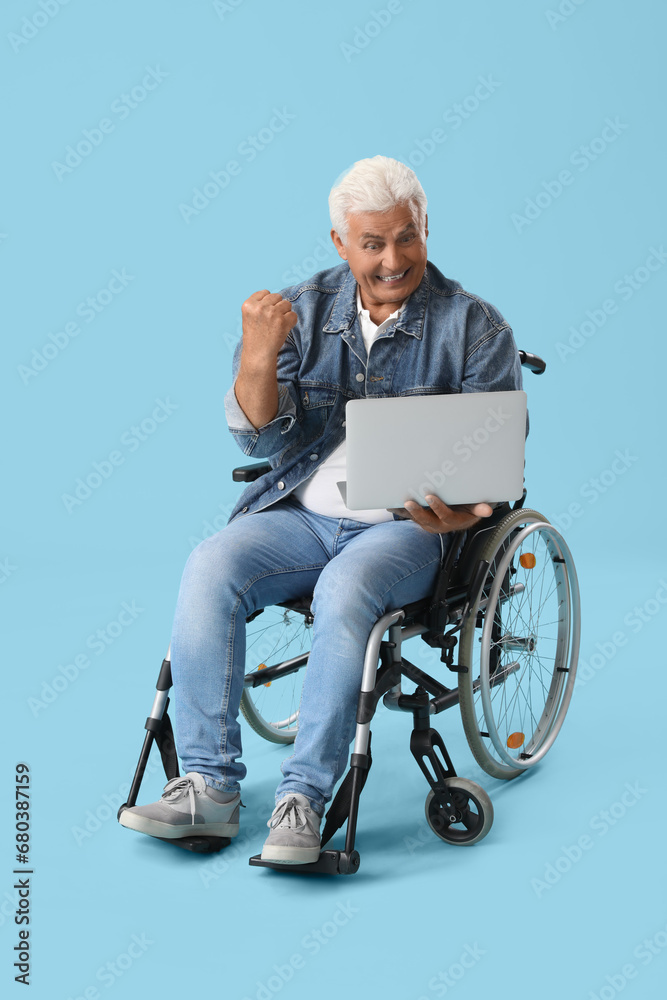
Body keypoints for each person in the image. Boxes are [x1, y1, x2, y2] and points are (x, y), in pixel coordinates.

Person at [119, 155, 523, 864]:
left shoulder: (475, 328)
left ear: (426, 229)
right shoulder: (300, 309)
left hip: (404, 531)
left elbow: (496, 475)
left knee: (346, 587)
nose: (392, 259)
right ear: (340, 243)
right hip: (299, 516)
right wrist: (254, 356)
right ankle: (207, 787)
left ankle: (300, 798)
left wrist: (459, 516)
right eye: (372, 243)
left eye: (407, 237)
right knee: (211, 562)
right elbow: (260, 438)